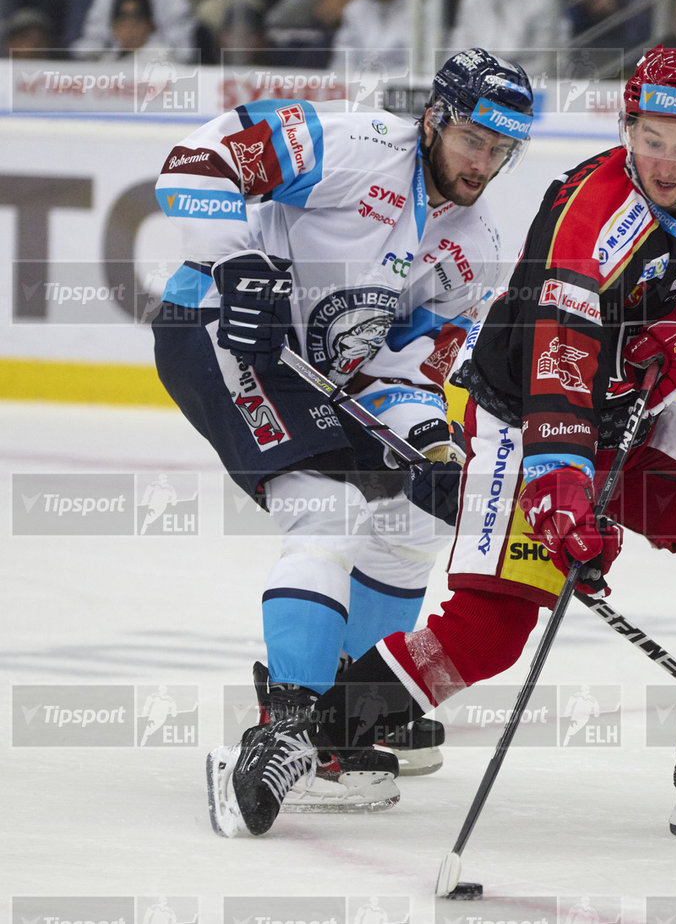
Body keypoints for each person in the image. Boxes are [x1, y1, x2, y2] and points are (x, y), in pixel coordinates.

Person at [205, 46, 676, 841]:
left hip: (631, 411)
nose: (668, 163)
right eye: (652, 139)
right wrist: (562, 495)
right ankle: (304, 738)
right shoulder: (587, 220)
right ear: (626, 127)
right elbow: (556, 372)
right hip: (523, 417)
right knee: (489, 633)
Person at [153, 48, 535, 809]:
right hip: (216, 330)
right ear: (434, 119)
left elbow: (407, 371)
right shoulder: (355, 146)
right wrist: (240, 264)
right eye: (470, 140)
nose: (481, 162)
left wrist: (432, 443)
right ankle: (289, 724)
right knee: (326, 508)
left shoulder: (476, 248)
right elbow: (197, 160)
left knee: (421, 510)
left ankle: (350, 718)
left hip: (317, 371)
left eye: (499, 150)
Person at [446, 0, 568, 81]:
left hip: (526, 86)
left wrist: (503, 77)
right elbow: (457, 51)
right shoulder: (471, 1)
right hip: (476, 84)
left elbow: (551, 60)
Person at [71, 0, 197, 62]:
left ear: (150, 26)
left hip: (159, 73)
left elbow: (184, 53)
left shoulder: (175, 2)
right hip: (113, 72)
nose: (130, 26)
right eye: (123, 20)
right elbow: (86, 47)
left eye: (136, 22)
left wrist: (143, 48)